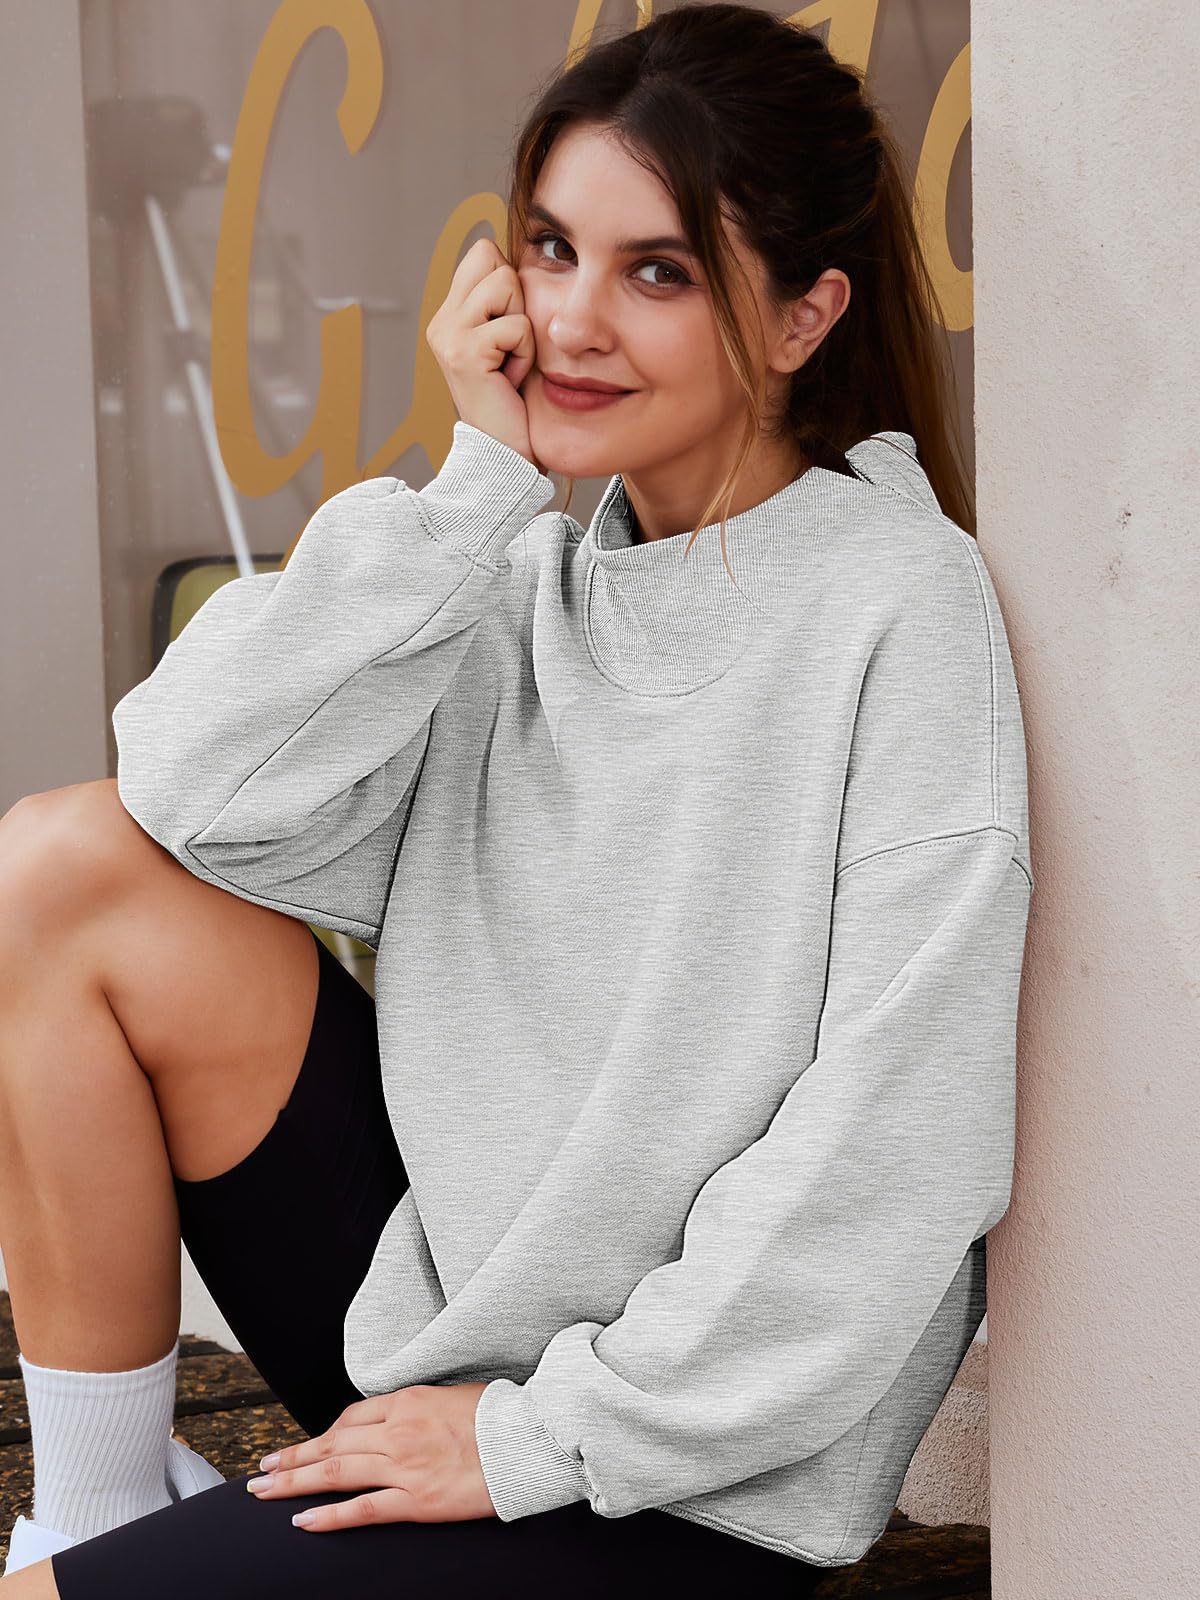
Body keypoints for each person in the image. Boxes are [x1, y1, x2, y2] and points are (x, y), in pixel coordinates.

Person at [0, 4, 1032, 1595]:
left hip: (677, 1469)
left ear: (805, 316)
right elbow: (187, 788)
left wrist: (541, 1435)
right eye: (551, 250)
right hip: (444, 1336)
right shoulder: (519, 572)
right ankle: (95, 1508)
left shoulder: (899, 605)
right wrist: (476, 485)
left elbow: (897, 1152)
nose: (570, 321)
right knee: (58, 866)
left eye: (657, 272)